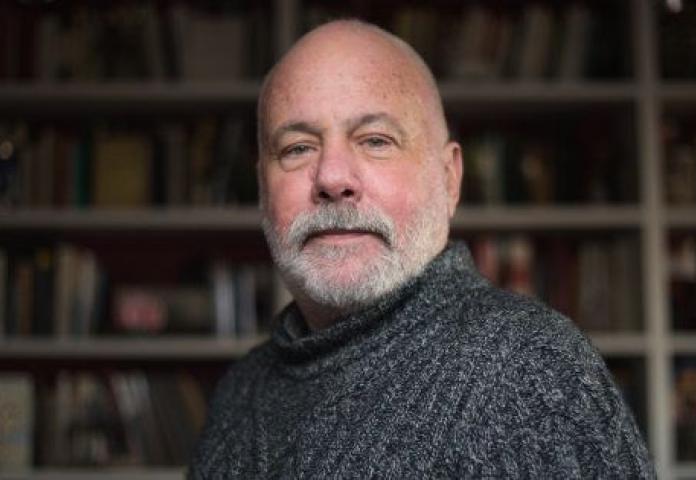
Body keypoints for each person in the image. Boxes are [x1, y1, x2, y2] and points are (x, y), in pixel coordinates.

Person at [190, 20, 655, 478]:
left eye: (375, 141)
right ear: (262, 189)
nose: (332, 178)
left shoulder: (531, 370)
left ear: (449, 179)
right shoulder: (237, 394)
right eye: (297, 148)